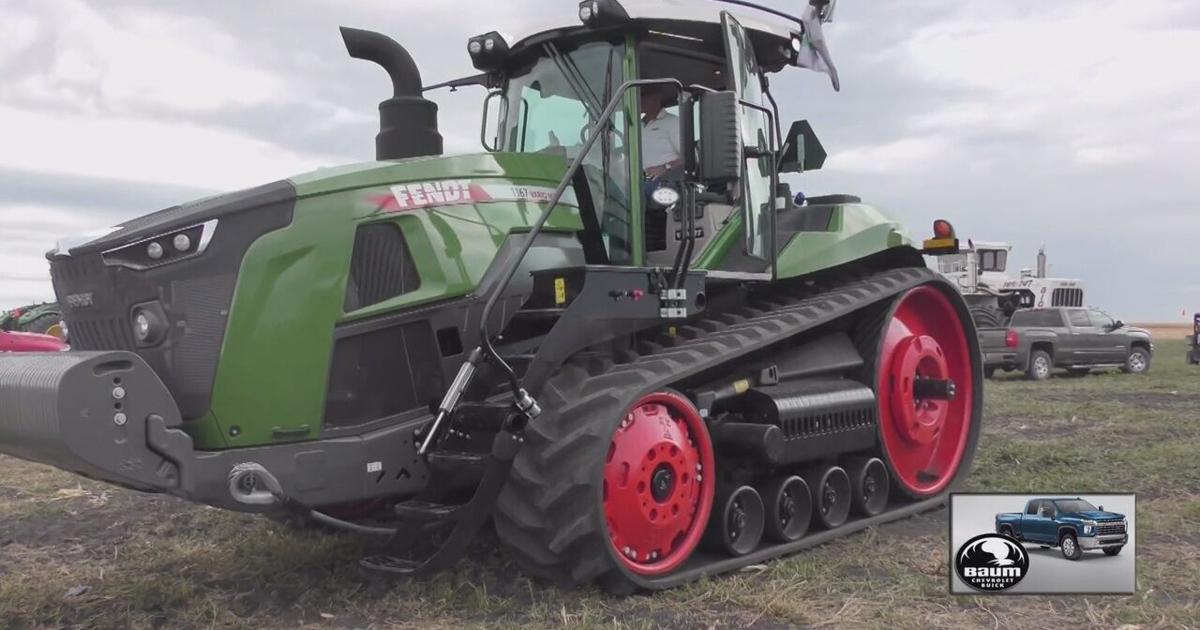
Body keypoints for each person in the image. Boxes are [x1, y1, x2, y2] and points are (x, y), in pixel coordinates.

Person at [640, 85, 682, 180]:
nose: (641, 99)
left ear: (657, 97)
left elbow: (688, 156)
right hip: (639, 184)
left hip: (666, 183)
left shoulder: (673, 122)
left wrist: (665, 167)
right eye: (640, 96)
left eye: (644, 95)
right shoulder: (637, 126)